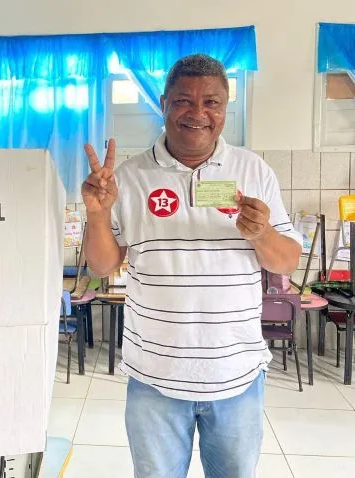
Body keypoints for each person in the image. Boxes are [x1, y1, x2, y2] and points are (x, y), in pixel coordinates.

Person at [82, 54, 302, 478]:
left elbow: (287, 260)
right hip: (154, 377)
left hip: (235, 374)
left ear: (225, 108)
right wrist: (96, 215)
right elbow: (104, 264)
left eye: (212, 102)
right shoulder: (127, 177)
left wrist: (261, 234)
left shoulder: (253, 171)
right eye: (185, 100)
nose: (198, 113)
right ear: (164, 103)